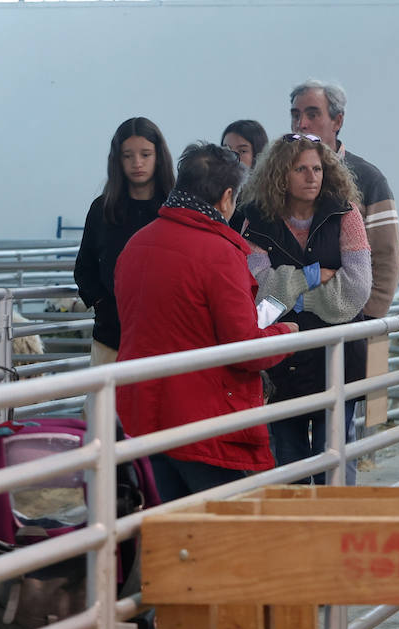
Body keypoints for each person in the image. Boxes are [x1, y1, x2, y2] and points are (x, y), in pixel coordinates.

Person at [115, 143, 299, 502]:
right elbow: (245, 349)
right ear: (227, 197)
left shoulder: (136, 245)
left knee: (166, 531)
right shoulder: (219, 253)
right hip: (205, 423)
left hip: (142, 414)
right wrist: (285, 334)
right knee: (228, 534)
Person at [236, 133, 372, 484]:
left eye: (317, 168)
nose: (312, 177)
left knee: (334, 459)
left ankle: (336, 531)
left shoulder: (346, 213)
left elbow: (355, 291)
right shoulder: (253, 219)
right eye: (301, 169)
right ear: (280, 174)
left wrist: (290, 294)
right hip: (283, 360)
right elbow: (260, 296)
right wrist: (315, 275)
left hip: (336, 358)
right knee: (289, 462)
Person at [290, 80, 399, 483]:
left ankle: (335, 512)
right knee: (287, 433)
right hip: (291, 328)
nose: (302, 121)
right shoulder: (277, 176)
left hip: (344, 325)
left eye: (312, 113)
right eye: (296, 113)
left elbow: (386, 254)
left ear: (337, 120)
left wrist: (367, 317)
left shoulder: (367, 178)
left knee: (336, 434)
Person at [74, 117, 174, 365]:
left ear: (158, 156)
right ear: (117, 159)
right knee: (106, 404)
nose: (137, 163)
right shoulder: (102, 209)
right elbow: (84, 268)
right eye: (128, 155)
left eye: (145, 154)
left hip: (167, 335)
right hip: (112, 335)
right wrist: (103, 304)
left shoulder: (174, 209)